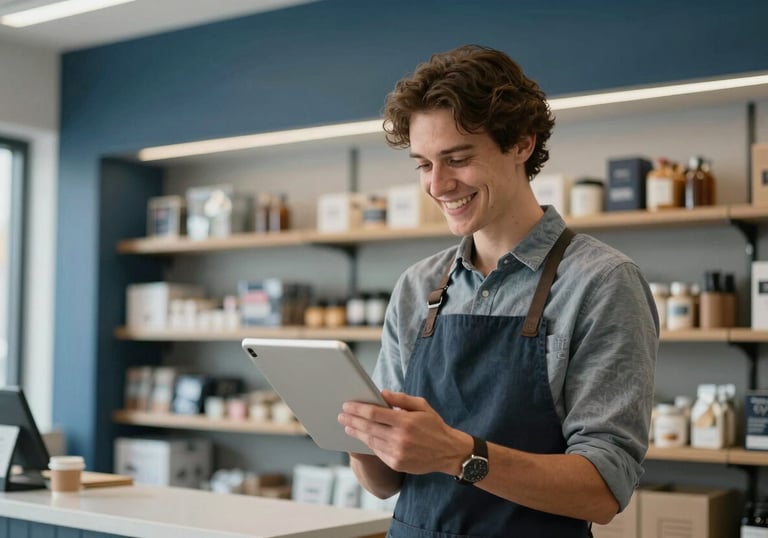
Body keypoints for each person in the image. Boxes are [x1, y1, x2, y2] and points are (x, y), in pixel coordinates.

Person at [337, 44, 658, 537]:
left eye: (457, 158)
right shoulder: (418, 286)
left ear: (521, 144)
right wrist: (360, 433)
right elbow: (384, 483)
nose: (438, 185)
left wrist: (457, 454)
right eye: (423, 164)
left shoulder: (601, 281)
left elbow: (602, 490)